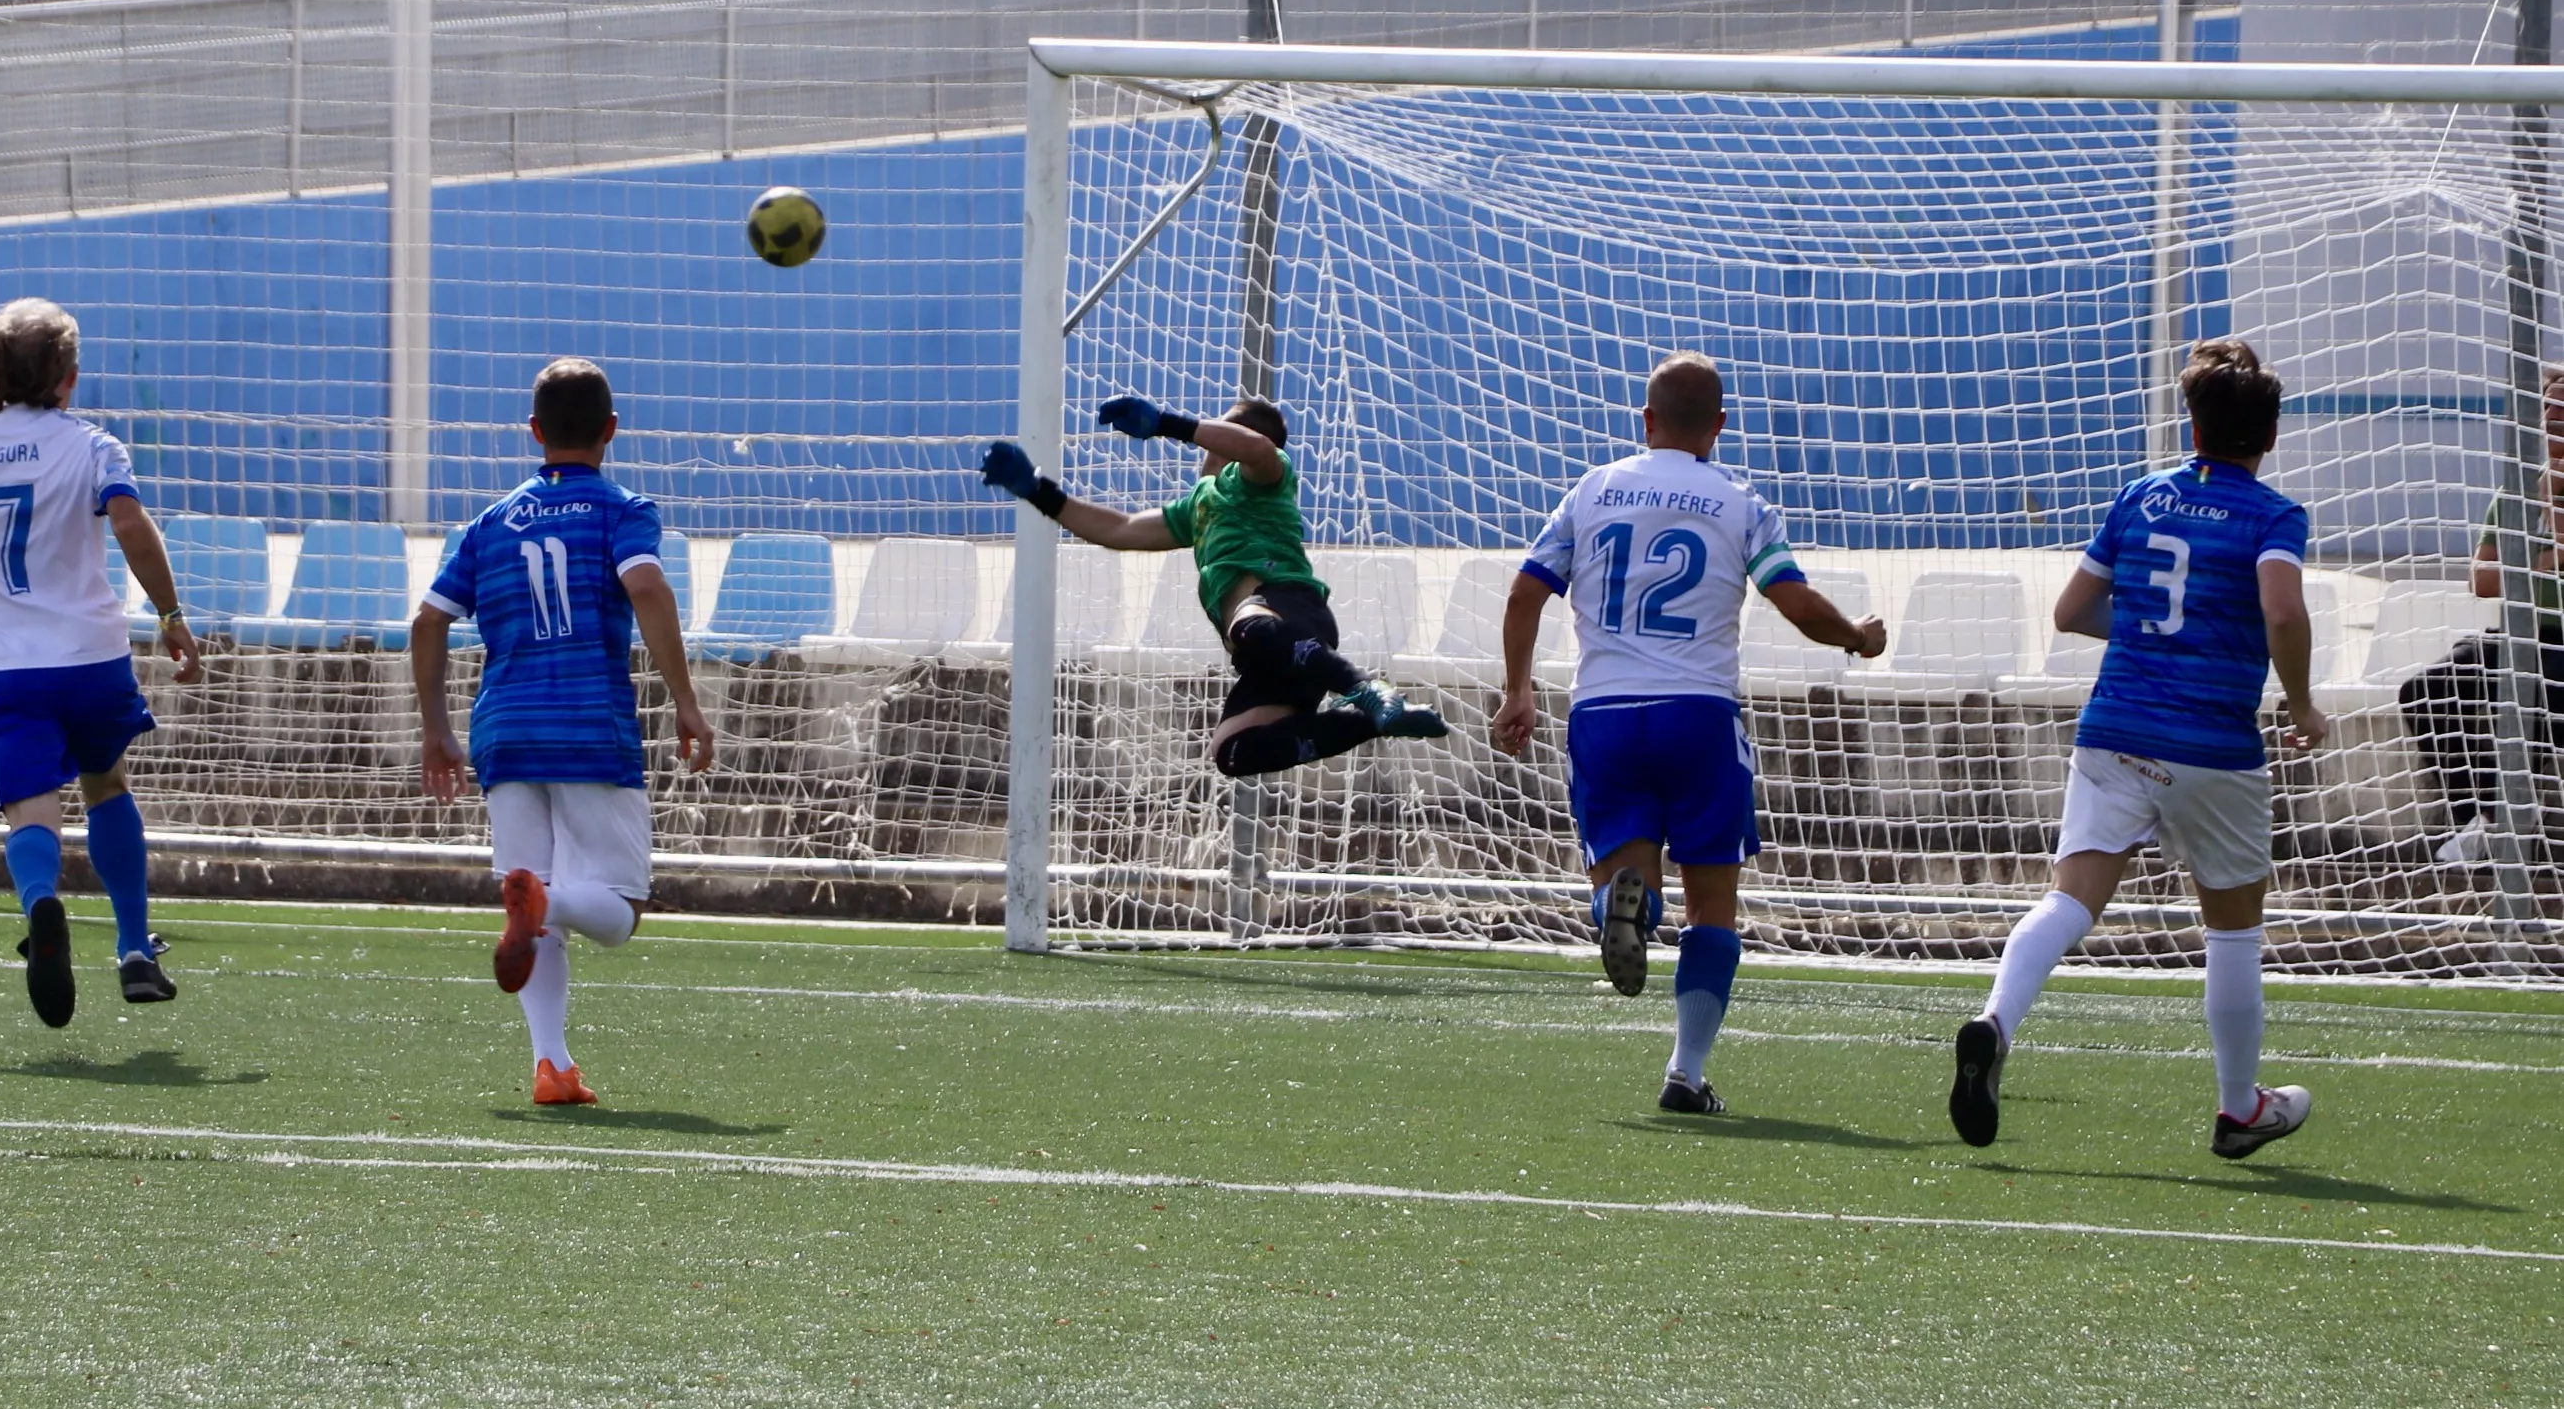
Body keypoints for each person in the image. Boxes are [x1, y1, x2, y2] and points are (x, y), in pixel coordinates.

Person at [1949, 339, 2326, 1161]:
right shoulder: (2272, 515)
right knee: (2232, 929)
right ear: (2268, 437)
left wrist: (2162, 635)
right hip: (2212, 746)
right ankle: (2237, 1110)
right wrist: (2300, 702)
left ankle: (1994, 1022)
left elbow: (2074, 611)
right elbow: (2284, 613)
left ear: (2191, 425)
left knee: (2070, 900)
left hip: (2115, 728)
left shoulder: (2142, 497)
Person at [1491, 352, 1884, 1114]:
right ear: (1719, 427)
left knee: (1624, 878)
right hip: (1698, 716)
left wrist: (1518, 691)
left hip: (1604, 714)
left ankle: (1619, 910)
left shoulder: (1594, 488)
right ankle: (1686, 1073)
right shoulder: (1737, 499)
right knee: (1713, 907)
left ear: (1646, 421)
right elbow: (1795, 602)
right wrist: (1855, 638)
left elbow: (1523, 594)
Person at [411, 358, 714, 1106]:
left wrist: (435, 731)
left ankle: (551, 1065)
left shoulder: (489, 523)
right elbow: (645, 584)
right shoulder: (622, 509)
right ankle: (546, 906)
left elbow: (427, 621)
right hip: (588, 726)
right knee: (619, 911)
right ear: (611, 431)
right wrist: (685, 699)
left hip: (504, 732)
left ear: (534, 432)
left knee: (537, 896)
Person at [0, 297, 203, 1029]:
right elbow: (129, 522)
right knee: (106, 783)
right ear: (68, 378)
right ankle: (133, 947)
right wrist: (169, 614)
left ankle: (42, 907)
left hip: (5, 667)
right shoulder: (93, 445)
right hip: (91, 658)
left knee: (30, 806)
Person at [978, 394, 1447, 777]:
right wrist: (1037, 490)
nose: (1205, 450)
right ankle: (1370, 721)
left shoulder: (1266, 479)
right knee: (1232, 753)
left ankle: (1367, 690)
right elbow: (1119, 530)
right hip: (1268, 656)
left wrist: (1167, 422)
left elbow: (1259, 451)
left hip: (1290, 612)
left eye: (1217, 438)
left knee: (1246, 624)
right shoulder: (1198, 509)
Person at [2400, 367, 2564, 868]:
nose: (2555, 419)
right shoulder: (2513, 494)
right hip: (2516, 634)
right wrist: (2544, 546)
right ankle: (2486, 818)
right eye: (2549, 408)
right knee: (2425, 690)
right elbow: (2482, 579)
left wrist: (2545, 536)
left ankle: (2516, 822)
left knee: (2534, 706)